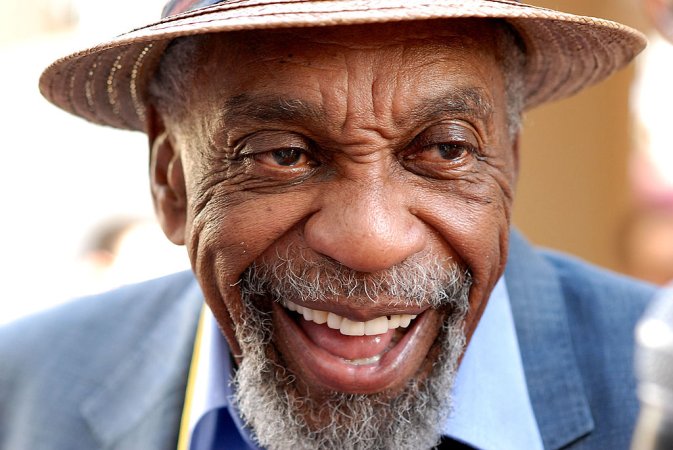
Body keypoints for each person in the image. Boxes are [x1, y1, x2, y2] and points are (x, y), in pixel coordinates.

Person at [0, 1, 657, 449]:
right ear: (171, 179)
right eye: (282, 154)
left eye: (445, 150)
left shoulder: (658, 390)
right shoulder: (25, 388)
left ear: (507, 165)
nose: (370, 242)